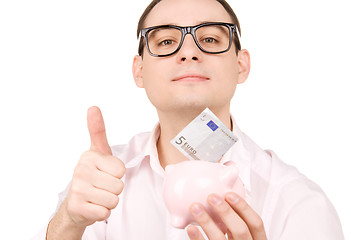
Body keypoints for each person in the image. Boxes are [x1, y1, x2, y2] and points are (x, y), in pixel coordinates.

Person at [32, 0, 344, 239]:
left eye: (209, 39)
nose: (189, 52)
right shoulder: (98, 181)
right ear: (139, 70)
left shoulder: (299, 204)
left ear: (241, 65)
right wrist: (68, 225)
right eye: (166, 42)